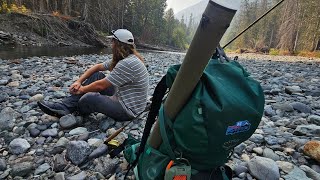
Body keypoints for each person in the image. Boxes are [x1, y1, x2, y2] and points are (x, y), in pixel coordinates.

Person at [38, 29, 149, 121]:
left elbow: (101, 86)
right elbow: (97, 67)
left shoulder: (127, 63)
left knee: (89, 98)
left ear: (118, 44)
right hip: (124, 97)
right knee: (97, 75)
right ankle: (65, 107)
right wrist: (79, 82)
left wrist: (82, 90)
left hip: (128, 110)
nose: (111, 44)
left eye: (113, 42)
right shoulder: (127, 58)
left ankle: (72, 109)